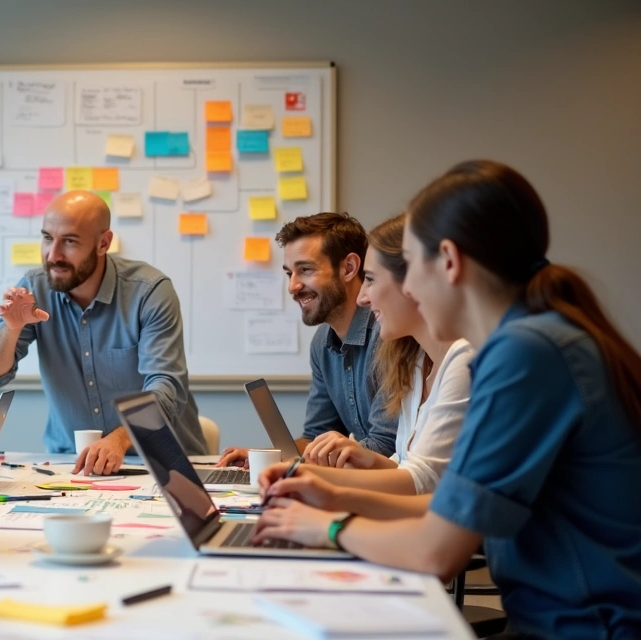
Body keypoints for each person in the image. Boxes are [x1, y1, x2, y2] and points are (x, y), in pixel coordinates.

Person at [253, 160, 641, 637]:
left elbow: (435, 553)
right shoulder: (537, 339)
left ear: (451, 262)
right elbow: (450, 510)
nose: (408, 288)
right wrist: (330, 495)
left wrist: (325, 527)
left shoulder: (526, 353)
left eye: (411, 265)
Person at [0, 190, 206, 476]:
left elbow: (167, 386)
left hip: (157, 463)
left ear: (103, 243)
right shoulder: (36, 287)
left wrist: (118, 440)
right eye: (47, 238)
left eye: (69, 241)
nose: (53, 255)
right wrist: (12, 329)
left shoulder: (149, 292)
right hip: (72, 465)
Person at [294, 214, 473, 494]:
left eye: (371, 280)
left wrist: (305, 478)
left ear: (413, 282)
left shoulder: (464, 360)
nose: (363, 297)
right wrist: (366, 459)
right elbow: (406, 467)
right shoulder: (414, 361)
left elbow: (423, 483)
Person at [218, 212, 396, 467]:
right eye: (289, 273)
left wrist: (299, 466)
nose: (293, 286)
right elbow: (316, 436)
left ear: (348, 268)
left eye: (305, 270)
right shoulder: (322, 342)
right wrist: (268, 456)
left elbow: (383, 447)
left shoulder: (387, 333)